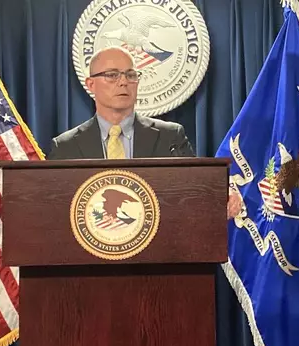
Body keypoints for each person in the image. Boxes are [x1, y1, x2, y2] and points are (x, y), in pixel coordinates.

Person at [49, 46, 241, 218]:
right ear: (91, 84)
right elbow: (55, 207)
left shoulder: (170, 137)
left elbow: (195, 190)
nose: (123, 82)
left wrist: (221, 196)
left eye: (130, 75)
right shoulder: (66, 146)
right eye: (112, 75)